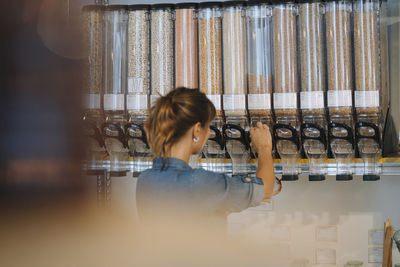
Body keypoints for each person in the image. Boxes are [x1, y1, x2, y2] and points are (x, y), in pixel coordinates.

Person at [136, 88, 274, 224]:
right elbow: (266, 189)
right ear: (196, 130)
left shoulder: (145, 180)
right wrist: (264, 148)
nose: (208, 134)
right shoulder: (199, 182)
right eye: (208, 127)